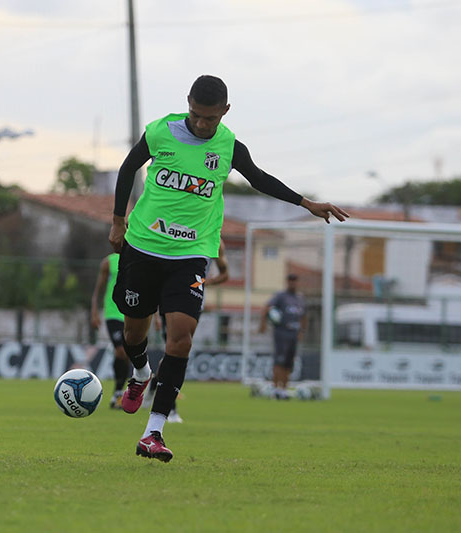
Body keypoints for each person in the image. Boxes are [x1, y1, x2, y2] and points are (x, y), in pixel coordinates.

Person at [110, 74, 349, 463]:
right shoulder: (160, 132)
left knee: (181, 338)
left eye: (211, 118)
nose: (202, 124)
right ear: (188, 104)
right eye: (196, 115)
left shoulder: (229, 147)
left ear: (225, 111)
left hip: (190, 254)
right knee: (133, 333)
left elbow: (259, 179)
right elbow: (127, 168)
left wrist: (307, 203)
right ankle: (140, 374)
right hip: (143, 246)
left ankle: (153, 432)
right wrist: (118, 221)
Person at [145, 239, 231, 423]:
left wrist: (202, 282)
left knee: (179, 350)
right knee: (172, 350)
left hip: (193, 300)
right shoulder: (180, 232)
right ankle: (170, 408)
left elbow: (225, 274)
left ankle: (153, 385)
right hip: (171, 297)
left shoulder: (216, 241)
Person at [90, 252, 130, 409]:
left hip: (131, 313)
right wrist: (94, 311)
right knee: (121, 351)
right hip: (113, 313)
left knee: (127, 353)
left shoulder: (140, 256)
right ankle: (118, 393)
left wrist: (156, 316)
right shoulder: (109, 262)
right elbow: (98, 290)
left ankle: (118, 392)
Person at [258, 273, 307, 400]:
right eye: (291, 281)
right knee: (279, 361)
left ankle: (284, 390)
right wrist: (263, 324)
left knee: (288, 363)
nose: (293, 284)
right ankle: (276, 389)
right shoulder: (281, 296)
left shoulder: (300, 298)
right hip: (282, 332)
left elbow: (304, 316)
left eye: (295, 281)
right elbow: (267, 308)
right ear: (287, 282)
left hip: (293, 334)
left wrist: (302, 331)